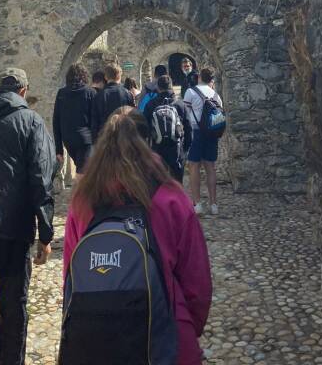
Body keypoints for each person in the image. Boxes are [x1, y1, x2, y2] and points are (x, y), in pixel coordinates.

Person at [63, 110, 212, 365]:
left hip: (95, 343)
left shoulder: (82, 202)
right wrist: (185, 326)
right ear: (147, 143)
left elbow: (70, 274)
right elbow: (197, 284)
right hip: (165, 338)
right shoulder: (172, 198)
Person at [0, 68, 56, 365]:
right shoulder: (31, 121)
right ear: (22, 91)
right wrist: (45, 233)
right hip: (15, 228)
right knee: (13, 304)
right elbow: (41, 179)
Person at [184, 67, 223, 216]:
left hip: (196, 133)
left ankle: (197, 204)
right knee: (210, 167)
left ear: (199, 76)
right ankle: (214, 204)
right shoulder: (215, 94)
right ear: (211, 79)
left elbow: (186, 112)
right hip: (212, 134)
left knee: (194, 167)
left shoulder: (191, 92)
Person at [144, 74, 192, 182]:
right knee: (177, 182)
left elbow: (145, 127)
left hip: (157, 148)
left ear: (158, 88)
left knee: (158, 182)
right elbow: (188, 127)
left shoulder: (151, 105)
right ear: (171, 86)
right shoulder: (180, 104)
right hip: (176, 148)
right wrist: (185, 149)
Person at [53, 63, 95, 177]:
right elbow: (94, 120)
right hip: (85, 140)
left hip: (68, 139)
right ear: (84, 76)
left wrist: (59, 150)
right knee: (82, 175)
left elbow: (56, 121)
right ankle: (79, 194)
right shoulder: (90, 93)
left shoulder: (61, 93)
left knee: (82, 170)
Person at [91, 63, 135, 141]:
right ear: (119, 76)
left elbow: (95, 122)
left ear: (105, 77)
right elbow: (133, 117)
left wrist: (95, 142)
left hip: (105, 138)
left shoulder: (99, 96)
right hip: (124, 136)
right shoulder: (128, 94)